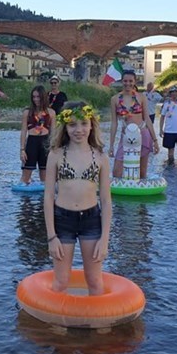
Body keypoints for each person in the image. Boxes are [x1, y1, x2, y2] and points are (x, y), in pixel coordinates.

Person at [44, 101, 112, 296]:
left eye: (83, 123)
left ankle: (98, 326)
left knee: (94, 281)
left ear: (92, 125)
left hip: (91, 220)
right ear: (65, 126)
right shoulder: (56, 155)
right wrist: (51, 237)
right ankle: (58, 326)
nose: (79, 130)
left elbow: (106, 201)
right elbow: (48, 196)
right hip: (62, 220)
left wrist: (105, 239)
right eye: (72, 124)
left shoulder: (100, 157)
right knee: (61, 281)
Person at [109, 70, 159, 179]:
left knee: (142, 173)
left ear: (135, 82)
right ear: (122, 81)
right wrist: (111, 145)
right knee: (116, 172)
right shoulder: (115, 99)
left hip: (142, 134)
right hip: (126, 136)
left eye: (131, 81)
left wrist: (155, 141)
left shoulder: (141, 97)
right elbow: (114, 123)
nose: (128, 83)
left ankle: (140, 193)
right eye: (125, 81)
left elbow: (147, 119)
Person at [20, 85, 55, 185]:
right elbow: (23, 131)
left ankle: (43, 200)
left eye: (38, 97)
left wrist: (54, 148)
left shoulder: (51, 113)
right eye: (34, 97)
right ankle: (25, 199)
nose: (36, 99)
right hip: (32, 142)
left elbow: (54, 133)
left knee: (44, 176)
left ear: (43, 97)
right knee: (26, 175)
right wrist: (22, 149)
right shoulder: (27, 112)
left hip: (45, 143)